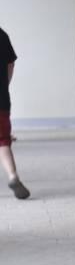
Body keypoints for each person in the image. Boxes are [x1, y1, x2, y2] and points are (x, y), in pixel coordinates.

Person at [0, 27, 30, 200]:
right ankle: (13, 176)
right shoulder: (2, 35)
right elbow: (10, 64)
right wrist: (5, 85)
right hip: (1, 100)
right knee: (3, 142)